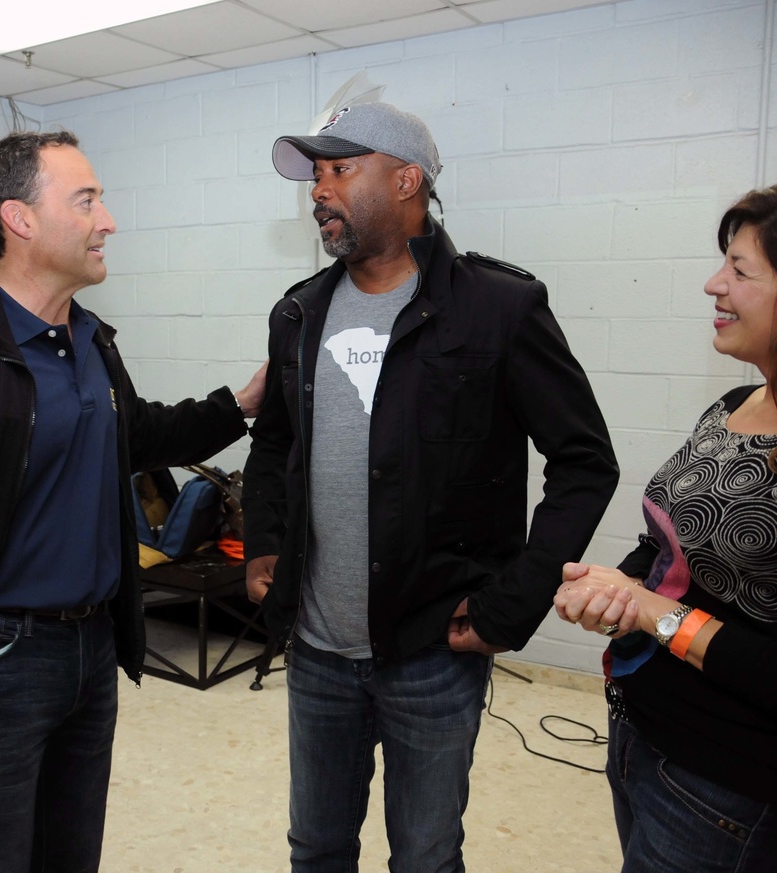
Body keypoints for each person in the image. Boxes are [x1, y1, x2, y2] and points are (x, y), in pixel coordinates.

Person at [0, 130, 265, 873]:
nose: (109, 221)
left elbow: (135, 433)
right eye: (87, 200)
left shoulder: (90, 342)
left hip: (90, 652)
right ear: (21, 219)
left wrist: (243, 403)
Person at [242, 101, 619, 872]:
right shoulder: (300, 312)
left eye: (340, 170)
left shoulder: (498, 307)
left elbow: (585, 461)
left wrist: (511, 605)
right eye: (316, 175)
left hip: (433, 653)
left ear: (407, 180)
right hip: (317, 650)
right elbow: (276, 438)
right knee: (315, 847)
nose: (320, 190)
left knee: (424, 854)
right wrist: (265, 542)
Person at [554, 187, 777, 872]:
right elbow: (667, 545)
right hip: (647, 735)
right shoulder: (736, 404)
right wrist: (618, 588)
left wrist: (655, 612)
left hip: (728, 779)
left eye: (740, 270)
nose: (715, 284)